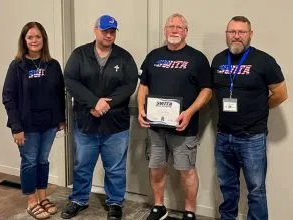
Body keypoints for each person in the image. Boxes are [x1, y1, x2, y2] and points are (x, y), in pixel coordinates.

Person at [61, 15, 138, 220]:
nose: (109, 34)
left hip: (116, 125)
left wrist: (106, 104)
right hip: (86, 123)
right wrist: (93, 103)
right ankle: (79, 200)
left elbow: (130, 84)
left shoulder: (124, 57)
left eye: (112, 31)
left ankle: (115, 203)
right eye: (105, 31)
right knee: (83, 165)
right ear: (95, 30)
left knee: (115, 167)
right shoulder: (80, 54)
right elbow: (70, 80)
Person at [211, 16, 288, 220]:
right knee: (227, 187)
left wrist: (260, 110)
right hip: (223, 136)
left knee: (256, 190)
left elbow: (281, 93)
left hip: (251, 138)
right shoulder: (218, 60)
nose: (236, 36)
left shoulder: (264, 61)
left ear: (250, 34)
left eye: (241, 32)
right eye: (232, 32)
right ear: (226, 35)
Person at [137, 13, 212, 220]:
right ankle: (159, 206)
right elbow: (143, 85)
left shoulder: (197, 58)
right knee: (156, 168)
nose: (174, 30)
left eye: (179, 27)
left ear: (186, 31)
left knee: (187, 171)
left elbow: (207, 91)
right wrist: (141, 109)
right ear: (165, 30)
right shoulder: (153, 56)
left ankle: (189, 211)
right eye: (171, 26)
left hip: (183, 127)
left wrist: (189, 113)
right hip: (155, 128)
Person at [2, 22, 66, 219]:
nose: (34, 40)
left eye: (37, 36)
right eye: (30, 37)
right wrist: (16, 126)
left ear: (43, 39)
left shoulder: (53, 65)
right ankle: (31, 201)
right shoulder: (17, 66)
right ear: (24, 40)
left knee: (42, 161)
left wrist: (61, 119)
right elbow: (8, 97)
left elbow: (59, 94)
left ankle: (42, 196)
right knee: (29, 162)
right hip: (26, 126)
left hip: (49, 124)